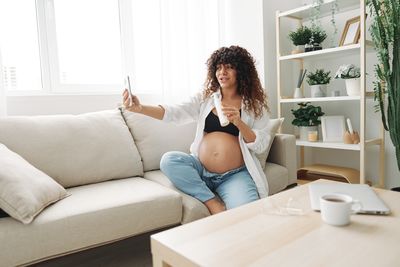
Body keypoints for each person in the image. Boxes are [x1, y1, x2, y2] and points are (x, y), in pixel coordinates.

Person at [122, 45, 270, 214]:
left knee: (247, 214)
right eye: (219, 67)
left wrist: (239, 123)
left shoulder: (254, 106)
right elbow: (174, 112)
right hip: (201, 169)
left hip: (234, 175)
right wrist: (140, 108)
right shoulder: (205, 98)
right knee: (169, 160)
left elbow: (261, 144)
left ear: (242, 71)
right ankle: (211, 201)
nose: (222, 72)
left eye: (229, 67)